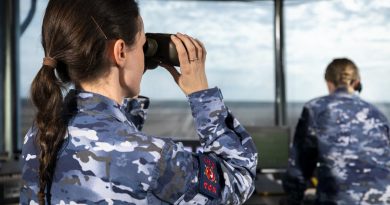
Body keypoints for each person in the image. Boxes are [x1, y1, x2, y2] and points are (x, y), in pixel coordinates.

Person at [19, 0, 258, 204]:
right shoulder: (155, 159)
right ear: (120, 52)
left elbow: (112, 140)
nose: (145, 55)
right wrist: (202, 95)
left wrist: (124, 79)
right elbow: (239, 176)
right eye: (142, 44)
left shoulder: (39, 135)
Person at [282, 58, 390, 204]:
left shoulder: (316, 109)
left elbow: (299, 167)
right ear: (356, 82)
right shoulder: (377, 113)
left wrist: (293, 198)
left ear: (328, 82)